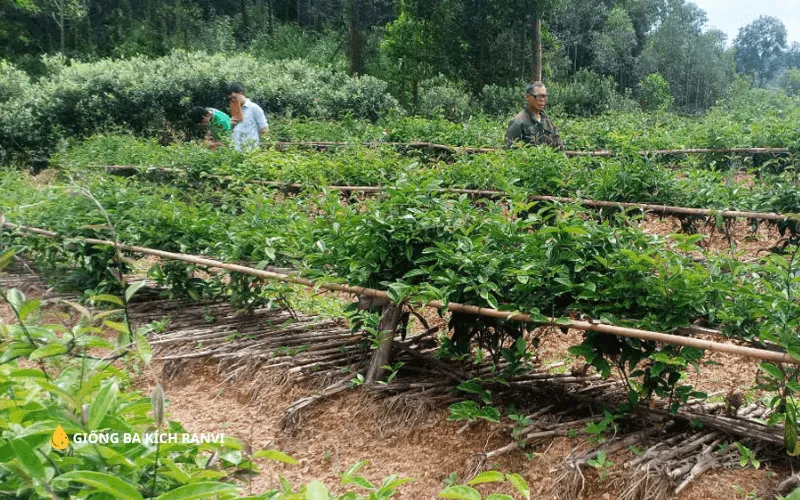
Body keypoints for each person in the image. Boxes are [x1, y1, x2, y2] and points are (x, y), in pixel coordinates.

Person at [504, 81, 563, 149]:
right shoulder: (518, 122)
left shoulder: (548, 121)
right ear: (528, 97)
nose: (542, 100)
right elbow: (510, 151)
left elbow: (559, 147)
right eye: (539, 96)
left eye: (544, 96)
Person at [226, 82, 269, 152]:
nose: (233, 100)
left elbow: (264, 128)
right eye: (231, 99)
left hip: (250, 151)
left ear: (241, 93)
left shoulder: (254, 108)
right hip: (236, 151)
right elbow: (234, 128)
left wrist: (262, 148)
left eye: (234, 97)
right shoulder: (235, 109)